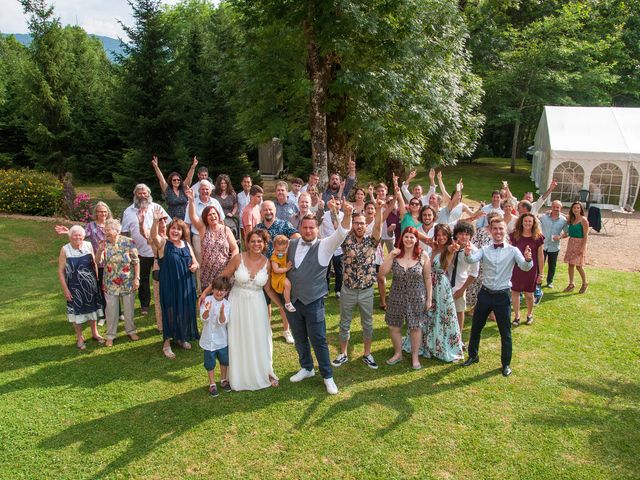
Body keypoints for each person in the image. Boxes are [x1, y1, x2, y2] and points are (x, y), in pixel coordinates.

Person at [286, 201, 354, 394]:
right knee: (299, 338)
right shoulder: (291, 244)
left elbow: (341, 233)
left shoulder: (325, 246)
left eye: (311, 228)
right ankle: (307, 367)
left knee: (318, 339)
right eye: (305, 227)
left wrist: (347, 214)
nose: (308, 231)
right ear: (300, 228)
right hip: (293, 302)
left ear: (317, 229)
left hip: (314, 301)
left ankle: (327, 376)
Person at [209, 228, 283, 391]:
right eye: (253, 241)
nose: (256, 244)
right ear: (247, 243)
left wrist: (282, 306)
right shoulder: (238, 259)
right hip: (238, 303)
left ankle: (264, 372)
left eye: (259, 241)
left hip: (257, 304)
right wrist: (205, 294)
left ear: (264, 244)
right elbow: (223, 277)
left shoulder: (268, 263)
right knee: (238, 336)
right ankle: (238, 375)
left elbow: (269, 289)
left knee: (259, 336)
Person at [462, 217, 533, 377]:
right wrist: (467, 254)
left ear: (505, 231)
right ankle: (473, 356)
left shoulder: (513, 251)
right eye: (495, 229)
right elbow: (472, 259)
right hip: (485, 294)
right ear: (491, 231)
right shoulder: (485, 249)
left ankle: (506, 364)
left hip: (502, 296)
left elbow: (525, 266)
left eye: (501, 229)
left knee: (505, 332)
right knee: (476, 328)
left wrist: (528, 258)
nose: (498, 232)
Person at [332, 201, 383, 370]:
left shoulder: (372, 241)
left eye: (362, 223)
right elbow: (337, 227)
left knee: (367, 324)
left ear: (366, 224)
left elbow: (378, 228)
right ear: (353, 225)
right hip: (348, 290)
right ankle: (343, 353)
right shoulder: (346, 240)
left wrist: (380, 210)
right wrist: (335, 209)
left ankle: (367, 354)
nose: (359, 226)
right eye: (356, 223)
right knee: (344, 323)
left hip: (367, 291)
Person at [380, 227, 432, 370]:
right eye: (406, 236)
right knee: (393, 326)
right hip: (396, 295)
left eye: (412, 237)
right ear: (402, 238)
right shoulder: (395, 254)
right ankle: (398, 353)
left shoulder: (423, 256)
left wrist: (429, 299)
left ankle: (415, 357)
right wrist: (390, 255)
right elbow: (382, 274)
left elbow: (427, 278)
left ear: (416, 240)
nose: (409, 239)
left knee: (415, 327)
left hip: (417, 296)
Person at [150, 209, 199, 359]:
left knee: (184, 310)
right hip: (170, 284)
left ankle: (181, 337)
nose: (175, 231)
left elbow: (195, 261)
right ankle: (167, 344)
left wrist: (195, 265)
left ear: (182, 231)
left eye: (178, 229)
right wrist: (155, 221)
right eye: (173, 228)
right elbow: (154, 236)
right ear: (169, 230)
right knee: (170, 312)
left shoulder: (186, 244)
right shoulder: (164, 244)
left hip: (186, 283)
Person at [55, 201, 112, 324]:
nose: (102, 213)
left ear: (107, 212)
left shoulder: (110, 224)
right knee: (101, 290)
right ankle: (102, 315)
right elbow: (79, 235)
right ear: (96, 213)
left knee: (112, 288)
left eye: (104, 211)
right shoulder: (91, 226)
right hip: (98, 262)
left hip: (112, 262)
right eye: (100, 211)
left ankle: (116, 313)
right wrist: (68, 232)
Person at [417, 224, 464, 362]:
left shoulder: (449, 248)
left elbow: (453, 248)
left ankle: (440, 345)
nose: (441, 237)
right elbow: (415, 232)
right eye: (439, 235)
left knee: (441, 314)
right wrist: (431, 243)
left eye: (444, 235)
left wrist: (455, 247)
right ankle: (426, 342)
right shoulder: (434, 248)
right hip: (428, 283)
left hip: (440, 285)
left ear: (448, 236)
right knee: (427, 312)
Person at [121, 184, 168, 316]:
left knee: (162, 277)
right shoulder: (128, 211)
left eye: (145, 193)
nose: (142, 196)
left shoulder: (157, 207)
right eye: (140, 193)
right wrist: (128, 251)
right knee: (143, 279)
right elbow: (124, 233)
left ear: (149, 194)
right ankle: (145, 305)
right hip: (140, 252)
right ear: (135, 194)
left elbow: (167, 225)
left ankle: (163, 301)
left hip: (159, 251)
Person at [57, 225, 104, 350]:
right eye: (75, 235)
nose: (77, 237)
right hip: (74, 287)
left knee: (92, 310)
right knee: (76, 314)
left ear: (83, 236)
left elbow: (94, 263)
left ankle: (95, 333)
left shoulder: (88, 245)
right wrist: (65, 289)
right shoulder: (65, 249)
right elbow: (61, 271)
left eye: (80, 235)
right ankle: (79, 337)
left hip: (90, 285)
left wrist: (97, 281)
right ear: (70, 236)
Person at [97, 219, 140, 347]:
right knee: (111, 309)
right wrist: (99, 251)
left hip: (127, 281)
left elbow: (136, 261)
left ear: (117, 231)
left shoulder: (128, 242)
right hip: (110, 282)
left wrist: (136, 278)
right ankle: (110, 335)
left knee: (129, 308)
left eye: (108, 230)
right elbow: (97, 261)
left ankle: (131, 330)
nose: (106, 233)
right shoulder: (103, 244)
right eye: (105, 230)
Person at [185, 187, 238, 291]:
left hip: (224, 272)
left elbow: (235, 248)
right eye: (209, 215)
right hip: (207, 274)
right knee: (209, 302)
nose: (213, 216)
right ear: (205, 218)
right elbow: (192, 216)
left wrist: (231, 264)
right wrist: (191, 200)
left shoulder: (226, 230)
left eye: (214, 214)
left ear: (218, 216)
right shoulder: (203, 229)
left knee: (224, 301)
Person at [184, 179, 224, 292]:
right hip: (198, 237)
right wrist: (188, 242)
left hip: (215, 236)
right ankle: (201, 289)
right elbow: (187, 223)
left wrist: (222, 235)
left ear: (210, 191)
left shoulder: (215, 202)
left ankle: (217, 287)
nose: (205, 191)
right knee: (201, 263)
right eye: (202, 189)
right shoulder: (192, 203)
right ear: (199, 190)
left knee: (216, 261)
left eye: (207, 189)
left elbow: (221, 221)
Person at [510, 213, 545, 325]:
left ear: (533, 223)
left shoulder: (538, 237)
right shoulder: (514, 235)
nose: (527, 223)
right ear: (521, 221)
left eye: (530, 221)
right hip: (516, 268)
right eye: (525, 221)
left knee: (529, 294)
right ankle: (517, 316)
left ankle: (530, 314)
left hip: (531, 270)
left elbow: (540, 256)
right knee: (515, 292)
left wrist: (541, 274)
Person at [200, 276, 232, 397]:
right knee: (210, 363)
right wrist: (207, 311)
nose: (219, 292)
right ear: (212, 289)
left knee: (224, 360)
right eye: (217, 289)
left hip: (222, 340)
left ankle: (223, 380)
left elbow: (223, 322)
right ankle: (212, 383)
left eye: (223, 290)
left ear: (226, 291)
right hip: (208, 340)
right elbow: (203, 318)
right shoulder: (207, 300)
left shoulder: (227, 304)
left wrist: (222, 312)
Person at [448, 221, 479, 337]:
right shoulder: (451, 246)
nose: (464, 237)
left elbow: (474, 273)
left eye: (467, 234)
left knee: (459, 311)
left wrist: (462, 290)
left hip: (460, 284)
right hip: (446, 283)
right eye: (461, 234)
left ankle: (458, 337)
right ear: (456, 235)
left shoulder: (473, 250)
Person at [150, 155, 196, 220]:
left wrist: (193, 167)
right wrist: (156, 167)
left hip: (185, 218)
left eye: (178, 180)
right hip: (172, 219)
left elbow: (189, 177)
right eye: (174, 180)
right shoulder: (167, 189)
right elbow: (161, 178)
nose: (176, 181)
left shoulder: (183, 188)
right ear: (171, 181)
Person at [561, 201, 589, 294]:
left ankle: (585, 283)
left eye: (578, 208)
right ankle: (571, 284)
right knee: (570, 264)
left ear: (581, 209)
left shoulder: (583, 220)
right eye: (574, 208)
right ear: (572, 209)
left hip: (579, 243)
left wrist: (582, 248)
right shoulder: (572, 219)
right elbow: (563, 215)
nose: (576, 209)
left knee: (579, 266)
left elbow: (586, 236)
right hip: (571, 243)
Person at [538, 200, 568, 288]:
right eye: (554, 207)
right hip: (542, 245)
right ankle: (538, 282)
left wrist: (560, 237)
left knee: (552, 265)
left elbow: (567, 232)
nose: (555, 209)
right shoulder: (543, 217)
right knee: (540, 264)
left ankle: (549, 282)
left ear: (560, 208)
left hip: (554, 246)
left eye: (557, 207)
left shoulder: (563, 220)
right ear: (551, 207)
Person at [319, 198, 345, 298]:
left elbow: (337, 227)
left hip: (339, 248)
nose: (335, 205)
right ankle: (325, 290)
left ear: (341, 205)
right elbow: (318, 225)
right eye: (333, 203)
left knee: (339, 271)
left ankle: (338, 290)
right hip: (327, 246)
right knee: (326, 270)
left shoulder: (343, 216)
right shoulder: (324, 215)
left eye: (338, 204)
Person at [270, 235, 296, 312]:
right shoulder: (274, 257)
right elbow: (276, 270)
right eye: (278, 250)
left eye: (283, 250)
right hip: (277, 277)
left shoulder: (284, 252)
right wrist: (287, 268)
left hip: (282, 275)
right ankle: (287, 303)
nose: (280, 253)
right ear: (274, 247)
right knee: (288, 285)